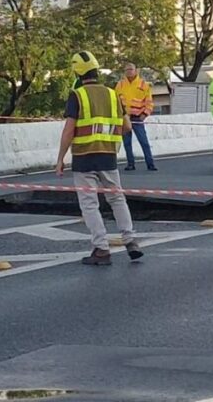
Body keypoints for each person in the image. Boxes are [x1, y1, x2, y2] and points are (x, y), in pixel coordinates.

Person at [56, 51, 143, 266]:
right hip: (108, 156)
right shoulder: (113, 94)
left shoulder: (77, 95)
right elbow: (127, 126)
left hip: (84, 158)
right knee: (117, 199)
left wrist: (60, 158)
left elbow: (69, 129)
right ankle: (130, 240)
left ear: (78, 72)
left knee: (89, 204)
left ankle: (102, 249)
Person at [116, 62, 157, 171]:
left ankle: (150, 164)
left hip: (137, 118)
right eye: (126, 70)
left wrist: (145, 114)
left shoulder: (143, 85)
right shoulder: (120, 85)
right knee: (127, 143)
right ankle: (130, 164)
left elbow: (149, 102)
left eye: (131, 69)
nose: (129, 71)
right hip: (125, 118)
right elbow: (116, 101)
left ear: (136, 70)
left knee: (143, 141)